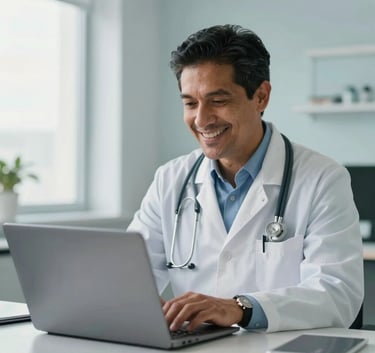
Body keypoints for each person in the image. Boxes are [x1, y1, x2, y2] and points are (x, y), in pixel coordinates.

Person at [127, 24, 364, 333]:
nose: (201, 119)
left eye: (218, 100)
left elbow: (338, 294)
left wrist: (240, 308)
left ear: (261, 96)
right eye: (190, 103)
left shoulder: (322, 179)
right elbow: (128, 277)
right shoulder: (170, 179)